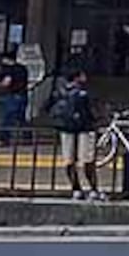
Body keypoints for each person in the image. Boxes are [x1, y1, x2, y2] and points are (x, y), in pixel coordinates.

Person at [50, 68, 102, 199]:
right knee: (87, 160)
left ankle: (76, 189)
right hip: (85, 128)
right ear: (78, 77)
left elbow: (48, 107)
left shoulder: (59, 92)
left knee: (69, 161)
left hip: (66, 129)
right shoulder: (83, 93)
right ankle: (93, 189)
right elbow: (91, 112)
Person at [0, 51, 29, 146]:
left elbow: (6, 82)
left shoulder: (8, 70)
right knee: (21, 118)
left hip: (11, 95)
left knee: (7, 119)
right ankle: (27, 137)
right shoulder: (22, 69)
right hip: (23, 95)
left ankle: (4, 139)